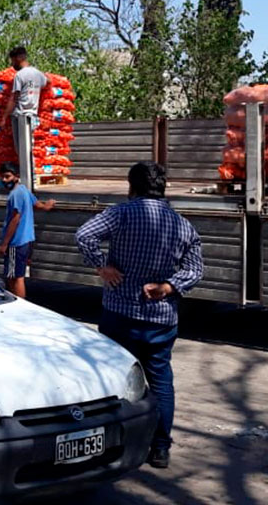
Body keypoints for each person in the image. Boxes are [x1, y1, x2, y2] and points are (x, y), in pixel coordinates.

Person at [74, 162, 203, 470]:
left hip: (119, 314)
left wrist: (102, 266)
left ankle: (113, 441)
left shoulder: (121, 214)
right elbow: (196, 269)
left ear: (131, 187)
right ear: (164, 188)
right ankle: (159, 448)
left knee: (113, 379)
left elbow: (84, 235)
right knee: (160, 382)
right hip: (160, 319)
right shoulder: (182, 225)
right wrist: (169, 286)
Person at [0, 162, 55, 298]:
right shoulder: (24, 190)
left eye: (7, 177)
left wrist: (4, 244)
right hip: (26, 241)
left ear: (16, 176)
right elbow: (38, 205)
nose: (4, 180)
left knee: (14, 278)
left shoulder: (15, 194)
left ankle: (18, 305)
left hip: (15, 243)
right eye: (2, 177)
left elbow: (15, 219)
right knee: (18, 275)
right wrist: (48, 205)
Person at [2, 46, 48, 173]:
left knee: (21, 149)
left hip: (20, 115)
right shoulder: (38, 74)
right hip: (32, 115)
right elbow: (48, 83)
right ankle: (30, 176)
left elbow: (14, 97)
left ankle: (28, 177)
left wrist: (4, 117)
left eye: (13, 61)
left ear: (18, 58)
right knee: (28, 147)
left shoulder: (20, 75)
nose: (12, 64)